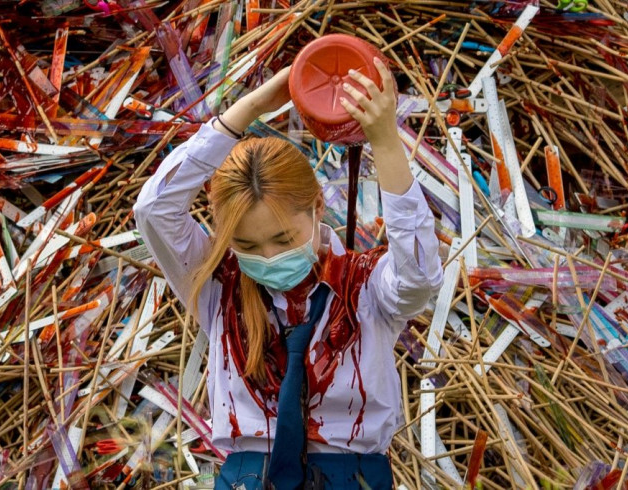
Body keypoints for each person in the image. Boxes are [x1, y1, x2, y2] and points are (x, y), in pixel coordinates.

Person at [133, 59, 443, 489]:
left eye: (282, 239)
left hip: (350, 478)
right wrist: (251, 107)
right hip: (245, 478)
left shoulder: (369, 287)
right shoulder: (215, 287)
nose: (268, 257)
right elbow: (154, 209)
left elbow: (420, 276)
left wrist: (386, 142)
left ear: (318, 208)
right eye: (246, 245)